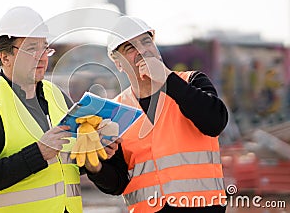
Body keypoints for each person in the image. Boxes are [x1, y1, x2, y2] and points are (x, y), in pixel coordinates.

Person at [0, 6, 119, 213]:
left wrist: (93, 156)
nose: (42, 57)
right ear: (5, 57)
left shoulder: (57, 96)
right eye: (31, 49)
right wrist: (37, 153)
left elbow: (64, 168)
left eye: (45, 48)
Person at [86, 15, 229, 213]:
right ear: (118, 63)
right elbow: (118, 183)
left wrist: (166, 78)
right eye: (130, 48)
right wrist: (94, 167)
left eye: (146, 41)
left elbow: (215, 122)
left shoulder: (191, 82)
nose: (143, 50)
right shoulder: (116, 111)